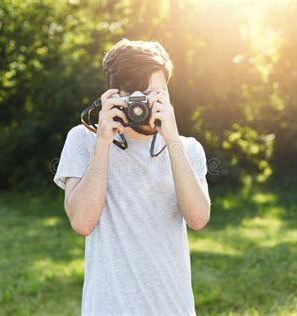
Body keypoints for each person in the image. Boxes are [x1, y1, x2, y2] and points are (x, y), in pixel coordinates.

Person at [53, 38, 211, 315]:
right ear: (114, 95)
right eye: (137, 97)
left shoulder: (187, 148)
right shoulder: (83, 139)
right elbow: (81, 222)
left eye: (157, 95)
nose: (145, 107)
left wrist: (171, 137)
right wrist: (102, 141)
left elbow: (198, 218)